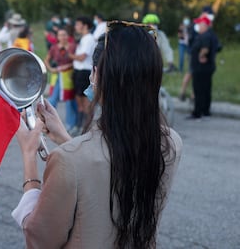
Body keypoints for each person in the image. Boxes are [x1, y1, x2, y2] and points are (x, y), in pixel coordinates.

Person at [12, 21, 183, 248]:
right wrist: (65, 139)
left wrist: (28, 155)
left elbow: (40, 237)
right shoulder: (171, 142)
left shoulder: (69, 160)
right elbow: (109, 167)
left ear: (97, 75)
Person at [44, 27, 77, 132]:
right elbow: (46, 60)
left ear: (68, 36)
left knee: (69, 100)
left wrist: (67, 66)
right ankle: (46, 123)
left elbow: (77, 61)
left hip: (69, 77)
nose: (62, 37)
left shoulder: (73, 47)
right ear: (57, 37)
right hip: (57, 76)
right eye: (60, 35)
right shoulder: (54, 48)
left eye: (64, 35)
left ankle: (71, 125)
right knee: (52, 100)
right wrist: (51, 69)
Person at [186, 15, 219, 120]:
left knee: (199, 90)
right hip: (207, 68)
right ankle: (205, 112)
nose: (198, 26)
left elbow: (205, 49)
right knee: (206, 89)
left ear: (205, 25)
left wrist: (201, 56)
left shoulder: (205, 36)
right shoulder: (210, 35)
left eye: (199, 24)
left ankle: (198, 113)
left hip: (201, 68)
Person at [69, 16, 96, 133]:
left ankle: (87, 128)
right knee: (79, 101)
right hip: (78, 72)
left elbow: (82, 57)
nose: (76, 27)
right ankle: (80, 126)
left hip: (84, 73)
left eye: (77, 24)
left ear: (85, 26)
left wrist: (69, 55)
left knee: (86, 103)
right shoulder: (83, 38)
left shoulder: (89, 39)